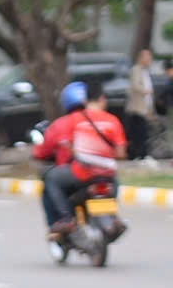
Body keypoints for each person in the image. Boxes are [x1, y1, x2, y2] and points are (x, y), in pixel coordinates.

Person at [32, 80, 125, 238]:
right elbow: (121, 152)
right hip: (107, 175)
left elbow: (46, 150)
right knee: (114, 180)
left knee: (50, 178)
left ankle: (64, 219)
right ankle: (112, 216)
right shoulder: (111, 120)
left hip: (80, 173)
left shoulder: (68, 123)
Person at [125, 46, 157, 161]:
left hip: (145, 108)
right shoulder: (136, 70)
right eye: (148, 57)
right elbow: (135, 85)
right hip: (137, 108)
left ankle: (140, 154)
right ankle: (139, 155)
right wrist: (145, 91)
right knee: (139, 133)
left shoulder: (146, 72)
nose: (150, 59)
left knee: (143, 132)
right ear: (142, 58)